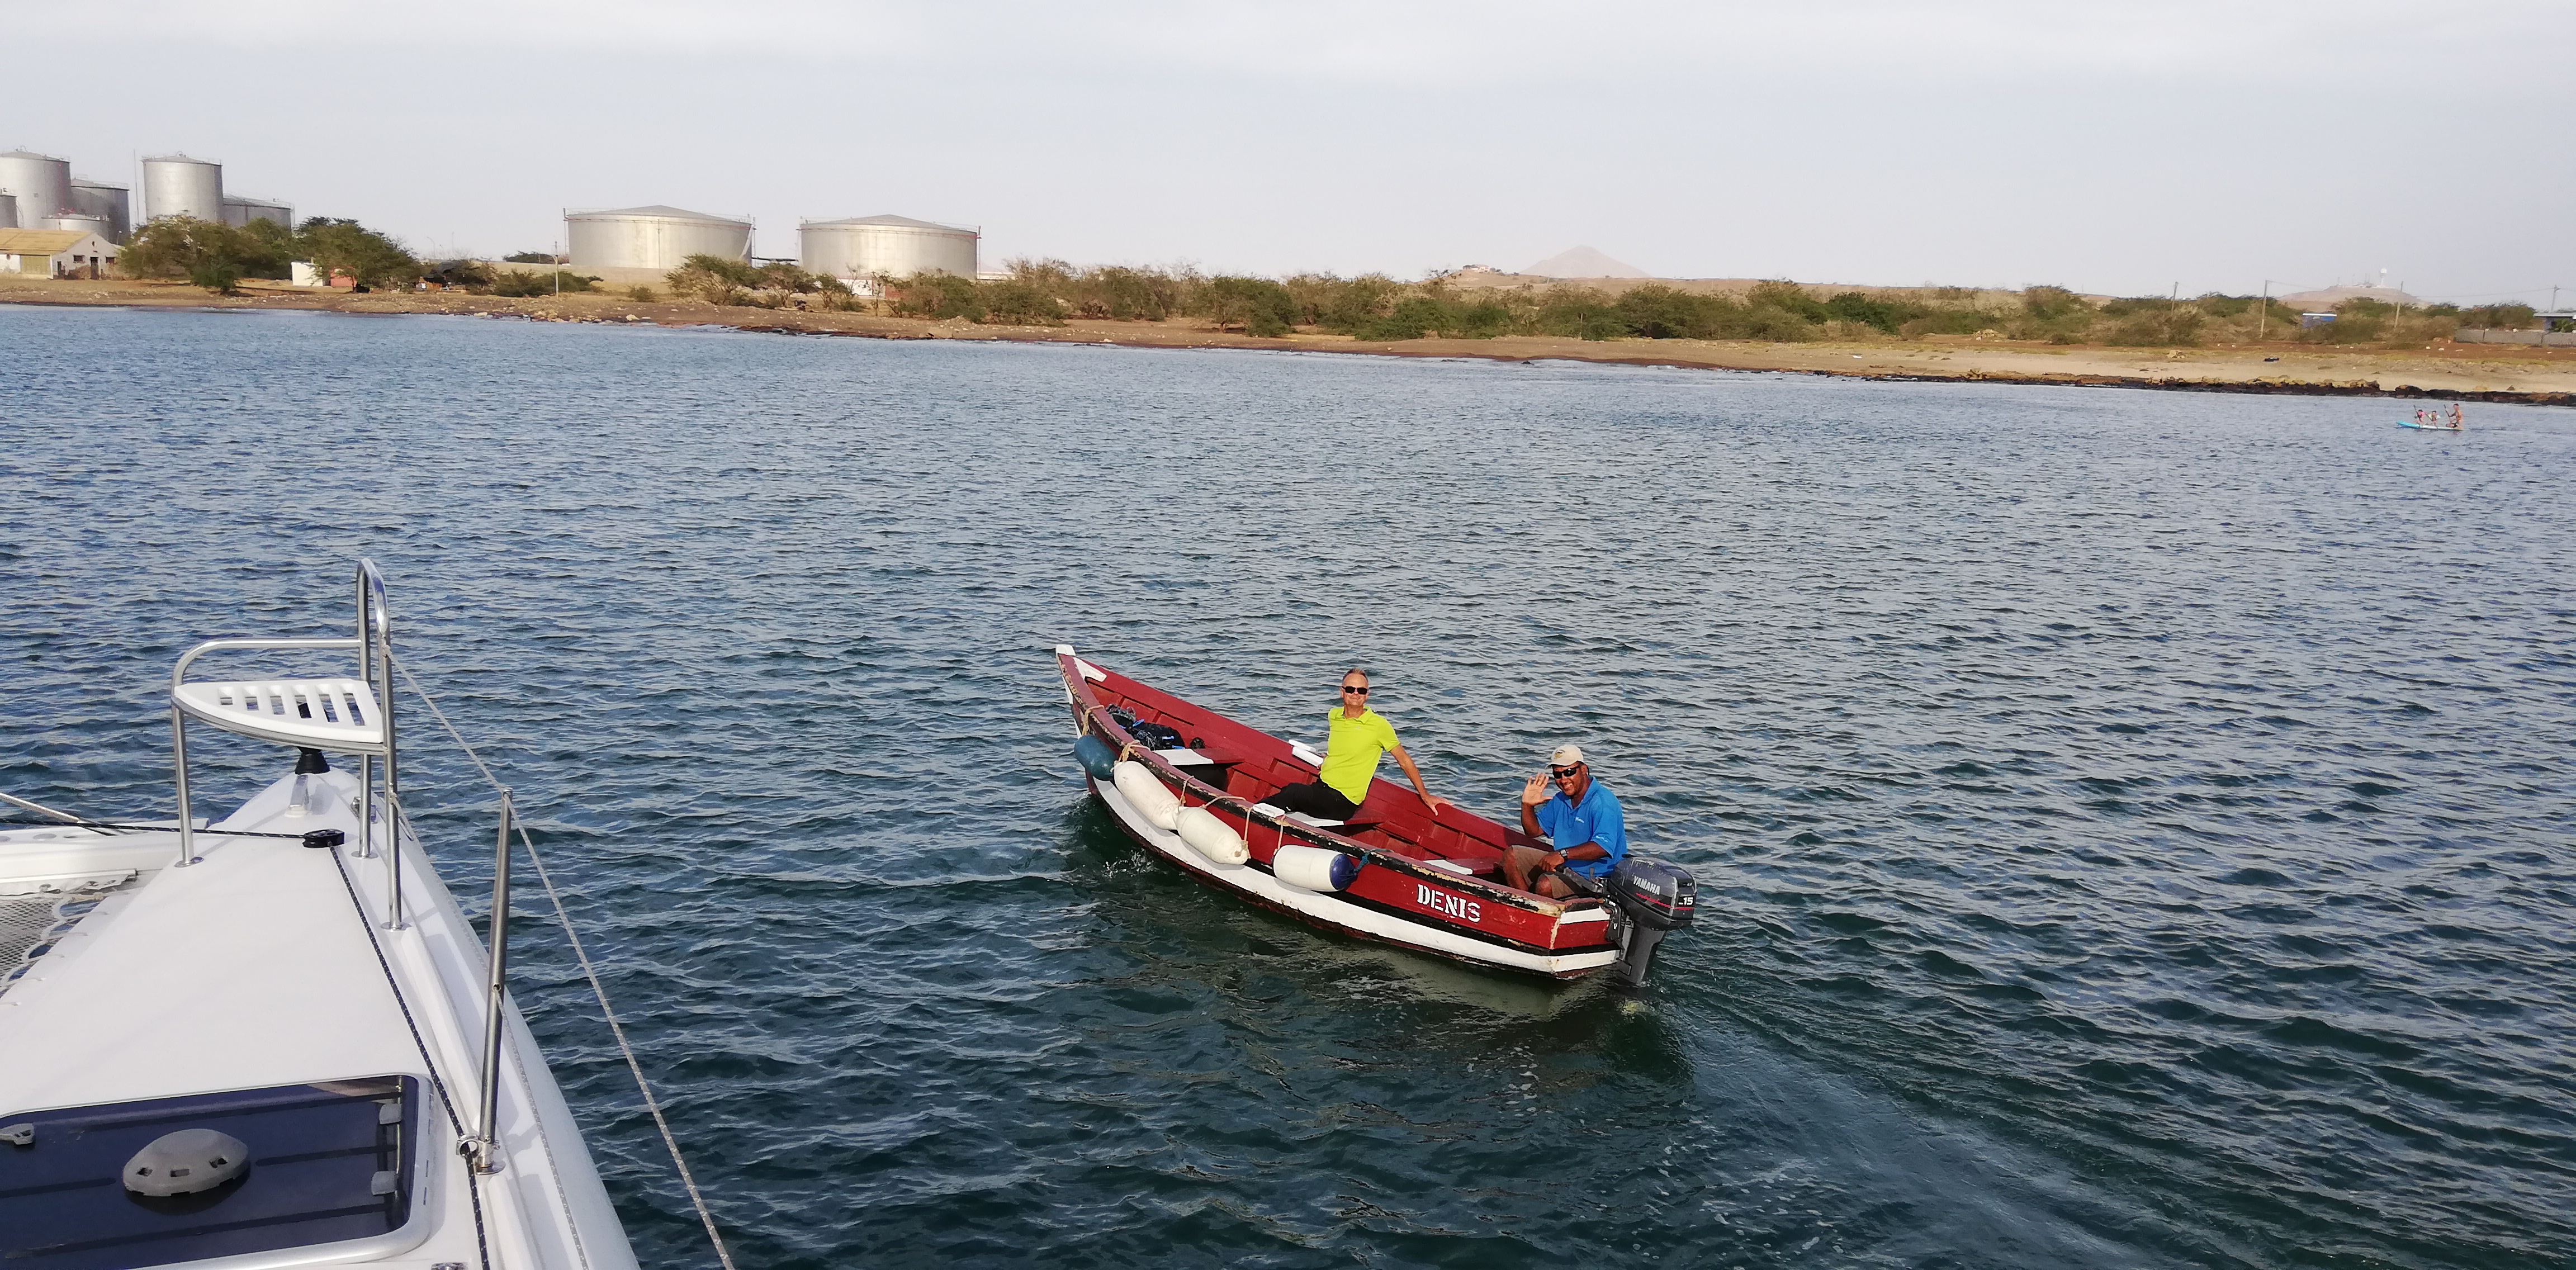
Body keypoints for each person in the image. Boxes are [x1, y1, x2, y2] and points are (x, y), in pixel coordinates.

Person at [1267, 669, 1450, 822]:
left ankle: (1254, 812)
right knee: (1292, 792)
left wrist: (1425, 795)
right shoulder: (1334, 716)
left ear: (1367, 695)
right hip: (1321, 787)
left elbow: (1404, 761)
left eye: (1361, 691)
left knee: (1294, 792)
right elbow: (1345, 746)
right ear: (1342, 692)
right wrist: (1331, 760)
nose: (1356, 694)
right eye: (1350, 689)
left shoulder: (1379, 726)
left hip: (1343, 802)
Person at [1503, 745, 1629, 898]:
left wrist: (1562, 854)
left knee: (1545, 885)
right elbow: (1533, 831)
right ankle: (1525, 905)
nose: (1563, 780)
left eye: (1569, 772)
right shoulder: (1560, 799)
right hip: (1564, 867)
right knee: (1511, 856)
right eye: (1558, 774)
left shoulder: (1603, 802)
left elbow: (1602, 847)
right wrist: (1527, 806)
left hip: (1594, 880)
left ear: (1584, 769)